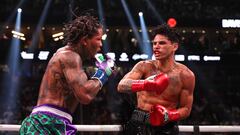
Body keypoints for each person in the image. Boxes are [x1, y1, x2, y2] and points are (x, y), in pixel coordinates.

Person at [19, 12, 114, 135]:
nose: (101, 44)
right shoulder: (70, 56)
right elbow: (85, 95)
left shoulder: (69, 57)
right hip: (47, 122)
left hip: (52, 121)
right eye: (98, 39)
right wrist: (103, 73)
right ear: (85, 40)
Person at [117, 24, 195, 135]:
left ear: (175, 46)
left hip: (166, 127)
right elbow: (121, 85)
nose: (156, 47)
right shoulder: (144, 66)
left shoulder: (186, 75)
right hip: (139, 123)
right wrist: (146, 84)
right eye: (154, 43)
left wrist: (169, 115)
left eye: (162, 43)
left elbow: (186, 109)